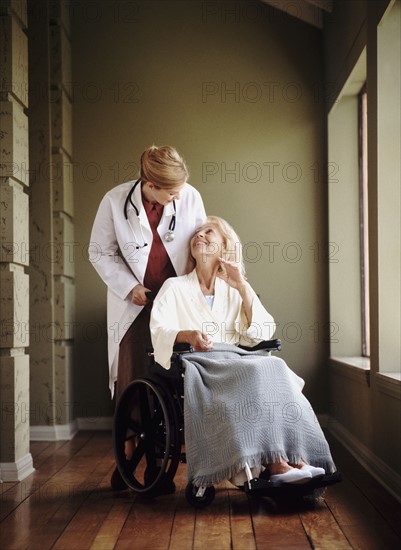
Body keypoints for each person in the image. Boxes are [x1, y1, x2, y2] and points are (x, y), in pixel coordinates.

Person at [150, 216, 336, 487]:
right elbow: (158, 329)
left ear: (225, 246)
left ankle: (297, 459)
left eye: (208, 232)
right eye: (196, 234)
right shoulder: (174, 287)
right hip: (199, 363)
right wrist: (187, 334)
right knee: (257, 369)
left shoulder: (233, 290)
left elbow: (263, 331)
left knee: (276, 367)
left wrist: (242, 285)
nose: (199, 236)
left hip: (235, 358)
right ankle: (277, 465)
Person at [89, 145, 206, 489]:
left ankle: (159, 461)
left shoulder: (190, 197)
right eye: (169, 193)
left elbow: (201, 244)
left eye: (179, 192)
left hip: (175, 302)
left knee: (170, 381)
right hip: (135, 304)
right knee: (131, 379)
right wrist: (129, 287)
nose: (175, 199)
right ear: (149, 183)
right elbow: (99, 251)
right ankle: (126, 459)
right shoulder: (114, 201)